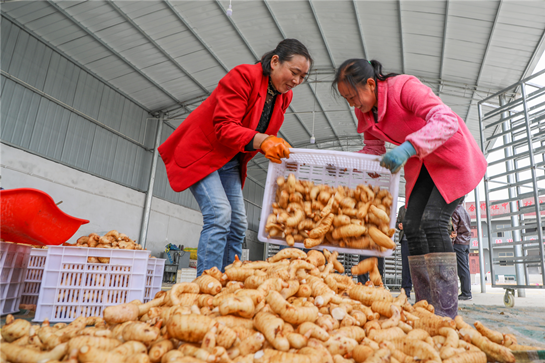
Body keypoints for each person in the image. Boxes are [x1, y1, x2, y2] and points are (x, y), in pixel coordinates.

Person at [332, 59, 486, 319]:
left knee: (434, 221)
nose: (352, 104)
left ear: (370, 84)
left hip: (451, 158)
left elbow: (446, 120)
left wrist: (407, 147)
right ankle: (424, 303)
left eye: (353, 96)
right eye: (346, 98)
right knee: (412, 225)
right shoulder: (365, 112)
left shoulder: (403, 87)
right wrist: (350, 165)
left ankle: (446, 309)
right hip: (423, 163)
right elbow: (373, 149)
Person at [159, 39, 312, 276]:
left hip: (230, 160)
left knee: (239, 224)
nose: (297, 81)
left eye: (303, 77)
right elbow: (224, 126)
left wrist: (272, 144)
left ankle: (230, 280)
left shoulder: (284, 96)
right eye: (294, 72)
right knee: (219, 215)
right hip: (204, 153)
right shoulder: (243, 76)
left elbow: (260, 128)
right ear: (274, 62)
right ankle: (207, 284)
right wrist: (263, 141)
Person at [451, 196, 472, 300]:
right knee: (465, 268)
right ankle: (466, 291)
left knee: (462, 269)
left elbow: (453, 231)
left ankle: (466, 293)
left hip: (459, 243)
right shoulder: (464, 211)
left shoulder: (455, 211)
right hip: (466, 243)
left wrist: (451, 241)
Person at [396, 204, 412, 299]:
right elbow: (397, 222)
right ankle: (406, 290)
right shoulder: (402, 208)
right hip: (405, 241)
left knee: (415, 266)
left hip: (416, 240)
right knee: (405, 267)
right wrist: (399, 225)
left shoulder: (418, 206)